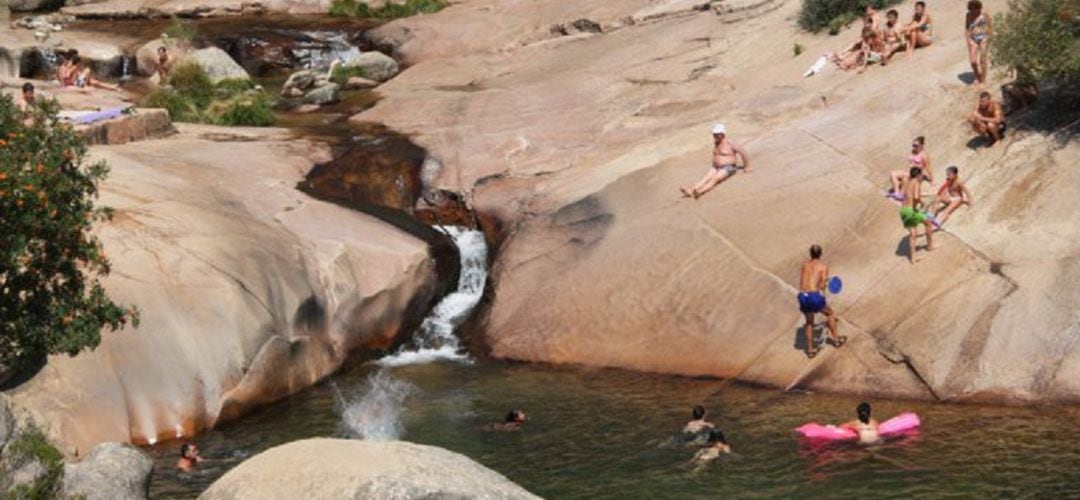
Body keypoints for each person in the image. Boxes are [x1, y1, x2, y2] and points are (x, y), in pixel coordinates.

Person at [797, 245, 845, 359]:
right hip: (814, 296)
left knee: (809, 322)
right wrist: (825, 284)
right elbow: (822, 286)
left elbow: (803, 281)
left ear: (810, 253)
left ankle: (810, 350)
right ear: (821, 254)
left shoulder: (804, 265)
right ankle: (836, 339)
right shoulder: (823, 267)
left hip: (802, 295)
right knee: (830, 313)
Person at [680, 123, 751, 199]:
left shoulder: (730, 143)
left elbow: (743, 153)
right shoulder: (716, 142)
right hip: (715, 166)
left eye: (717, 134)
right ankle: (691, 190)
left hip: (729, 167)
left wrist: (747, 166)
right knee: (705, 178)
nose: (715, 135)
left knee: (715, 179)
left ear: (723, 134)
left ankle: (700, 192)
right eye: (714, 134)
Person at [899, 167, 935, 264]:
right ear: (918, 175)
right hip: (911, 210)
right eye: (921, 175)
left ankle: (913, 258)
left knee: (913, 235)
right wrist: (922, 202)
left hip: (903, 211)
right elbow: (915, 196)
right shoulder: (917, 183)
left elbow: (906, 195)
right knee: (928, 222)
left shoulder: (908, 182)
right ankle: (930, 246)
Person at [888, 136, 932, 200]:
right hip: (909, 171)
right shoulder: (913, 152)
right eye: (913, 145)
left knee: (905, 177)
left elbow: (928, 168)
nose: (914, 147)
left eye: (916, 146)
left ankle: (901, 195)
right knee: (893, 174)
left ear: (921, 146)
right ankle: (897, 192)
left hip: (916, 174)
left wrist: (931, 180)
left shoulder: (924, 156)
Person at [965, 0, 992, 86]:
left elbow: (990, 26)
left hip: (983, 37)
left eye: (975, 9)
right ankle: (977, 76)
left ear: (979, 8)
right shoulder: (968, 15)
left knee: (982, 60)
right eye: (972, 9)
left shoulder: (984, 14)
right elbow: (967, 28)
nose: (973, 11)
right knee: (973, 61)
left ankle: (983, 80)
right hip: (973, 38)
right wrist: (968, 40)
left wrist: (989, 38)